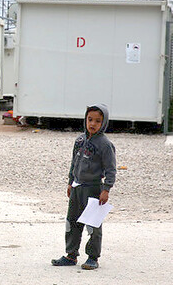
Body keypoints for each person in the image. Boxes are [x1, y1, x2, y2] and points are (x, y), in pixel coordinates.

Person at [51, 104, 116, 271]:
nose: (93, 124)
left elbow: (110, 169)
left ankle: (93, 257)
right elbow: (74, 162)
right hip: (77, 188)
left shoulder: (105, 145)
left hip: (93, 189)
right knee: (72, 222)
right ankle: (71, 255)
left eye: (98, 121)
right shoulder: (79, 140)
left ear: (104, 123)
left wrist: (106, 189)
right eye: (90, 119)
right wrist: (70, 182)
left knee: (92, 225)